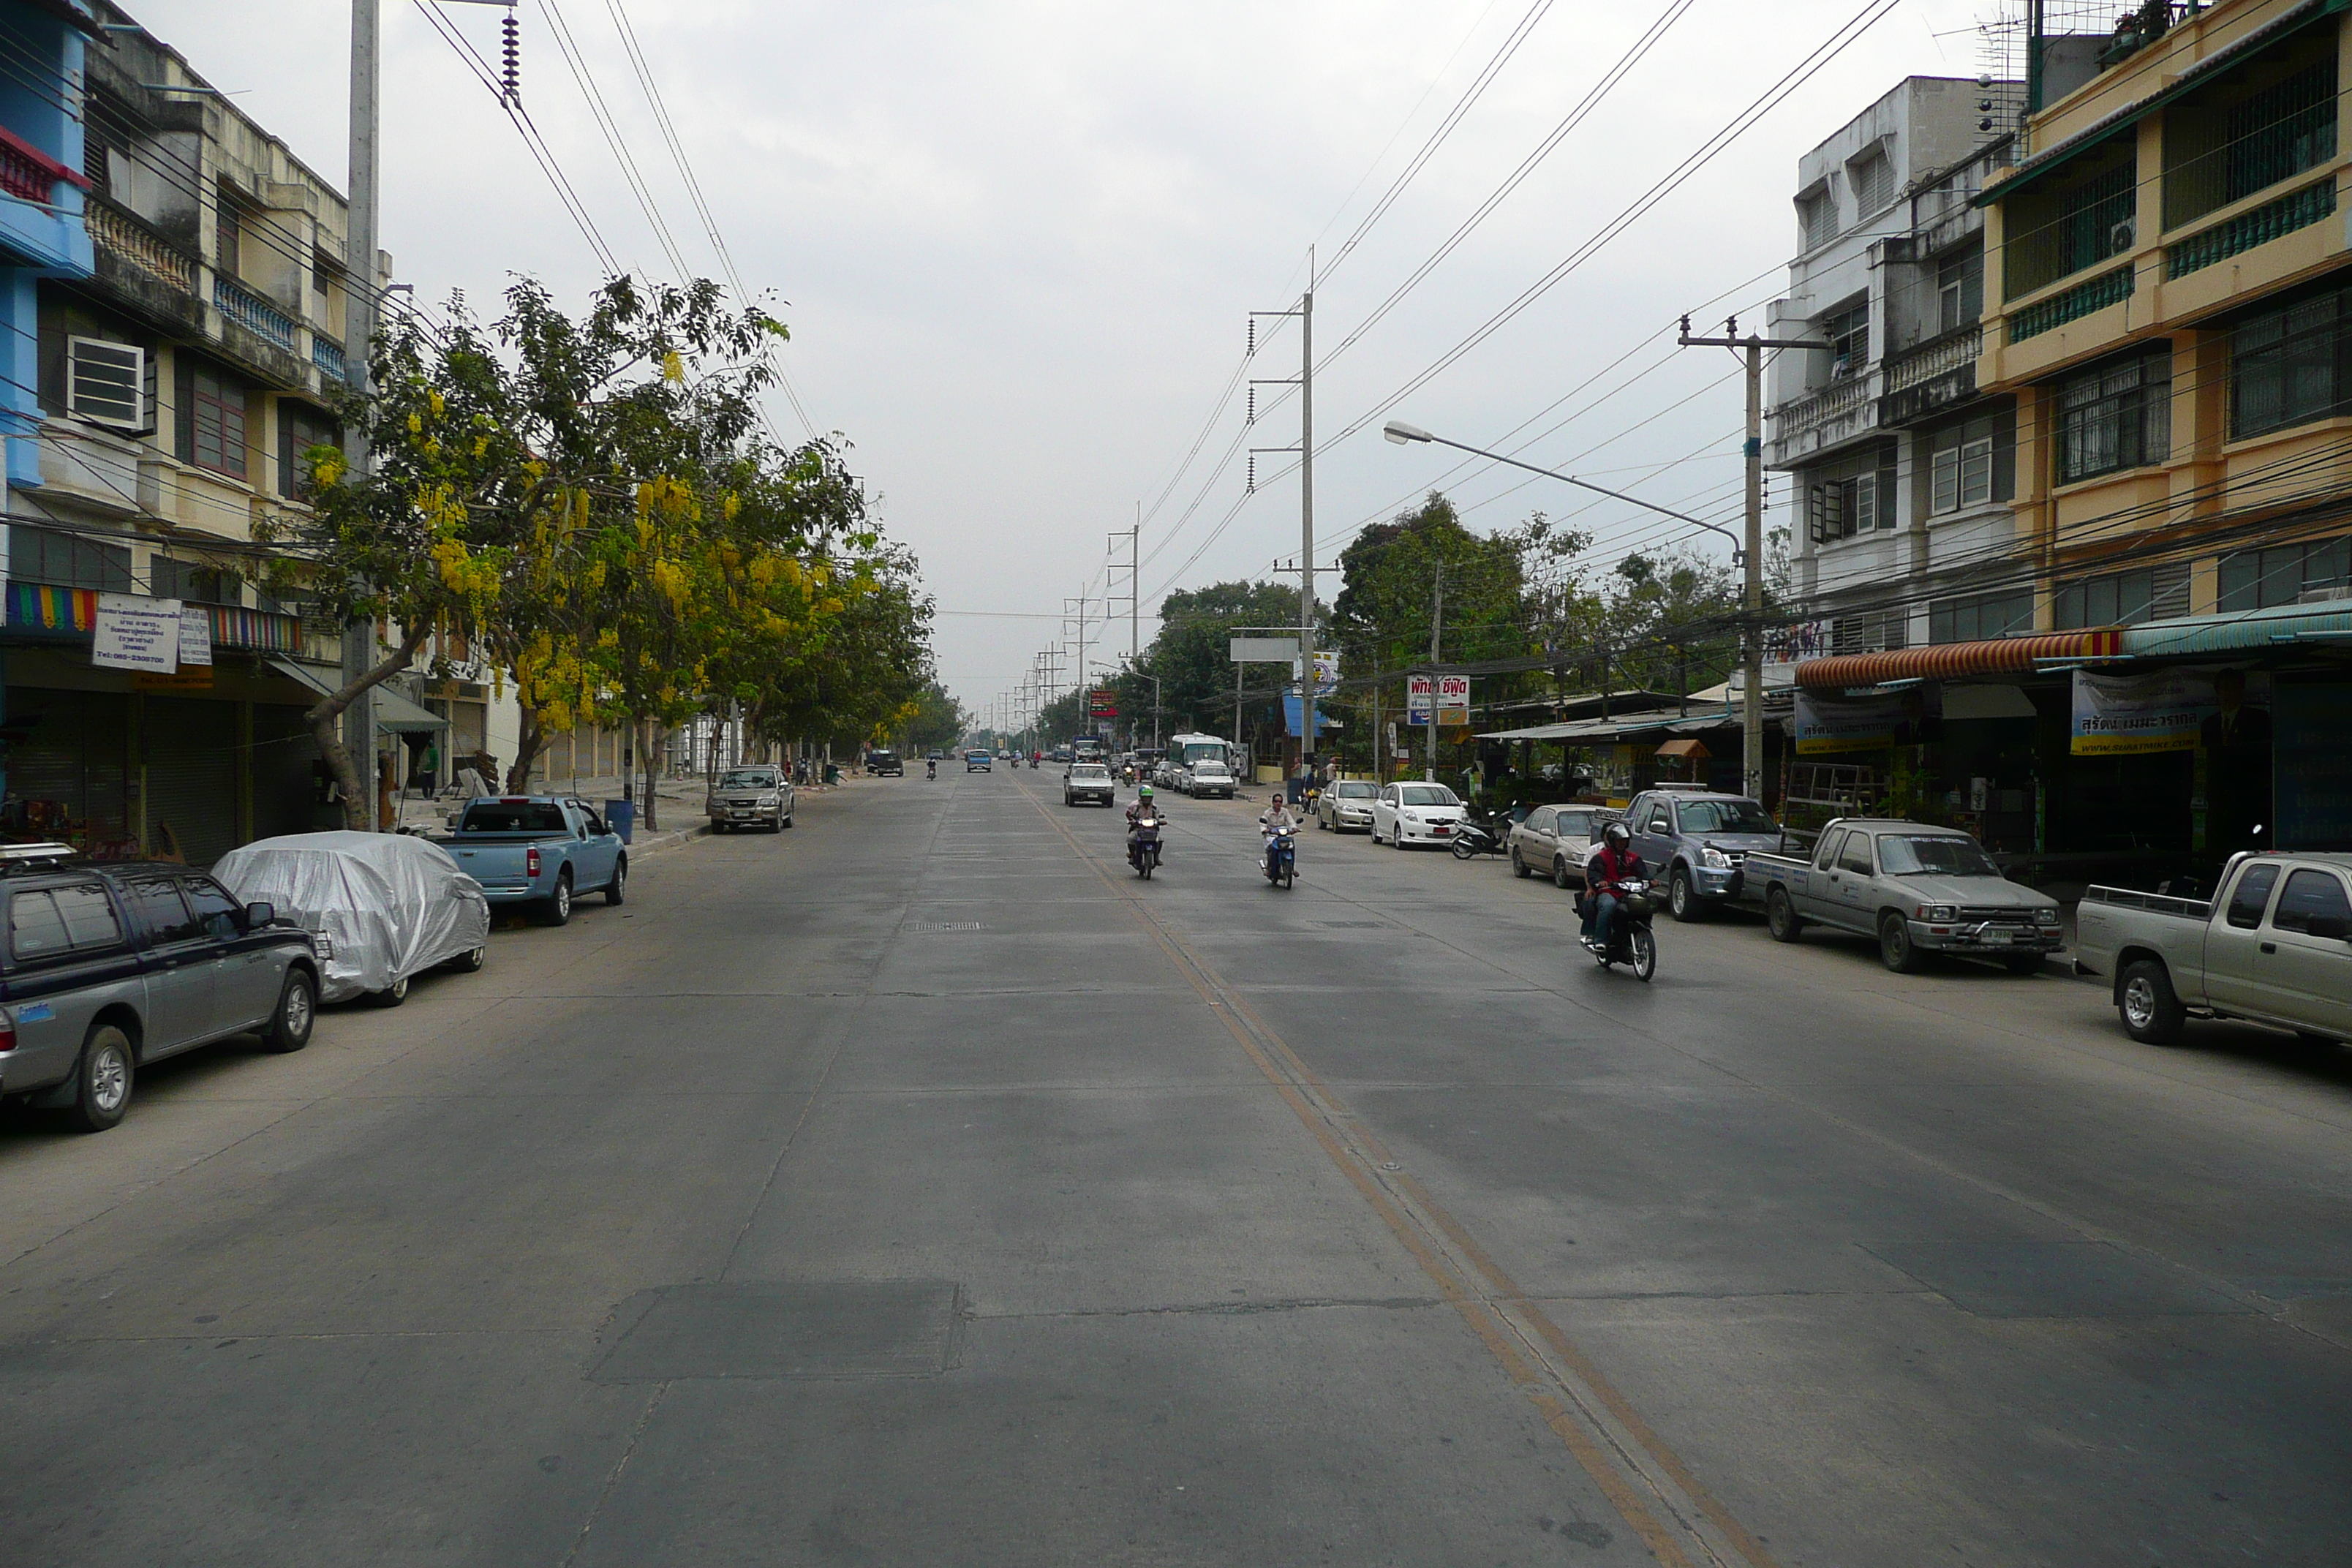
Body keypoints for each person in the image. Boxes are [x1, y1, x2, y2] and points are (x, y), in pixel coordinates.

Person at [1582, 821, 1646, 951]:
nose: (1622, 843)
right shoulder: (1600, 857)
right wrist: (1599, 882)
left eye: (1624, 840)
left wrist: (1651, 880)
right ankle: (1601, 940)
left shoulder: (1633, 858)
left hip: (1626, 892)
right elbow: (1592, 873)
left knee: (1643, 904)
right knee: (1608, 905)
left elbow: (1643, 872)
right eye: (1619, 840)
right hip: (1608, 892)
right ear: (1612, 841)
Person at [1258, 791, 1299, 870]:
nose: (1278, 803)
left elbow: (1291, 821)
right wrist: (1265, 830)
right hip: (1272, 835)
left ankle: (1292, 868)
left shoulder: (1285, 812)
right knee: (1272, 848)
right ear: (1273, 803)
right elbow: (1263, 822)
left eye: (1280, 802)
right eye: (1276, 801)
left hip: (1283, 835)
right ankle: (1269, 868)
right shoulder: (1268, 813)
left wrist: (1294, 828)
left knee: (1292, 846)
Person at [1127, 783, 1165, 863]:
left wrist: (1160, 822)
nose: (1147, 800)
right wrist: (1132, 821)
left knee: (1160, 839)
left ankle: (1156, 857)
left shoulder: (1154, 807)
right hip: (1139, 828)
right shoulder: (1136, 806)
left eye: (1149, 798)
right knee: (1131, 838)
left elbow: (1157, 817)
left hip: (1152, 829)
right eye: (1145, 797)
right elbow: (1129, 814)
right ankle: (1133, 855)